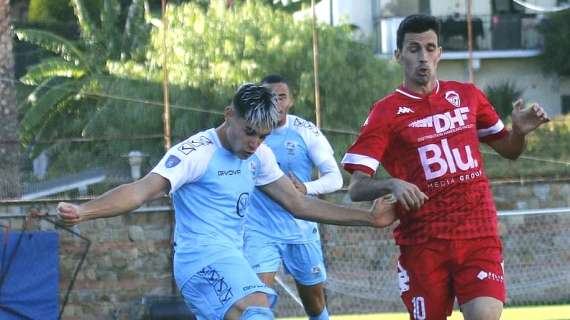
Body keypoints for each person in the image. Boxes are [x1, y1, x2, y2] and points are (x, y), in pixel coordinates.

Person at [58, 83, 396, 320]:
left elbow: (301, 205)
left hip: (230, 260)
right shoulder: (196, 153)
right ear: (229, 114)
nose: (254, 143)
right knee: (256, 309)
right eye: (249, 131)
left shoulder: (259, 156)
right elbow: (141, 189)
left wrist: (368, 218)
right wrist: (86, 210)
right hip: (200, 262)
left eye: (262, 136)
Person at [341, 14, 549, 320]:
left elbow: (510, 151)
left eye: (429, 48)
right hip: (424, 243)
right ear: (398, 55)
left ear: (439, 53)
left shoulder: (468, 96)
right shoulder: (385, 112)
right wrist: (392, 184)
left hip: (478, 234)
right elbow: (356, 188)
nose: (423, 57)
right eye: (413, 49)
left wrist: (518, 132)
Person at [244, 75, 341, 320]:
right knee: (256, 300)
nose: (275, 102)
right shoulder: (247, 132)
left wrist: (306, 188)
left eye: (281, 96)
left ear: (291, 101)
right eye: (269, 97)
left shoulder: (305, 131)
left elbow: (335, 178)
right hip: (260, 230)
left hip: (300, 229)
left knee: (315, 305)